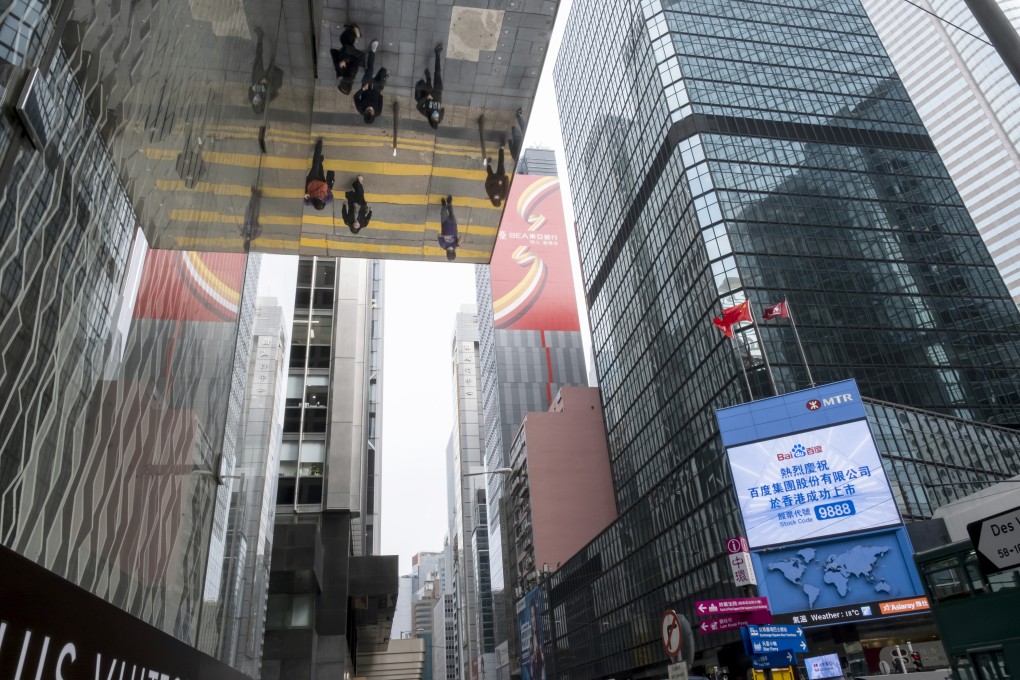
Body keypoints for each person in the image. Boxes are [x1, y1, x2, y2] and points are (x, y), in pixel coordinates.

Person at [249, 27, 283, 114]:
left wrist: (256, 82)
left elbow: (250, 88)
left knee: (258, 57)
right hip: (266, 78)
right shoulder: (266, 99)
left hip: (257, 76)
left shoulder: (251, 98)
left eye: (254, 103)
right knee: (271, 62)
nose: (256, 101)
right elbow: (275, 92)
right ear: (261, 104)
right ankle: (273, 46)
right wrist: (266, 83)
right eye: (257, 103)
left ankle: (260, 37)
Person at [353, 40, 388, 124]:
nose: (369, 109)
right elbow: (380, 98)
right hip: (376, 89)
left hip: (366, 86)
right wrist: (377, 90)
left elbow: (356, 96)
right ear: (374, 114)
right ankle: (367, 67)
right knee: (383, 70)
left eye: (367, 110)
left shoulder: (360, 108)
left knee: (370, 69)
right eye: (371, 111)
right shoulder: (378, 112)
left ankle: (372, 50)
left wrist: (363, 89)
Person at [414, 44, 445, 129]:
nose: (435, 116)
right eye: (436, 117)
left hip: (429, 93)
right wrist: (440, 112)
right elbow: (443, 110)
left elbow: (418, 106)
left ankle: (428, 78)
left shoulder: (426, 113)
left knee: (427, 86)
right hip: (438, 91)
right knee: (437, 73)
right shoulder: (439, 118)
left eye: (433, 117)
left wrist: (426, 98)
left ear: (430, 119)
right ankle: (437, 53)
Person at [330, 24, 364, 95]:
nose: (340, 81)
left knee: (346, 40)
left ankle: (352, 31)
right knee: (343, 39)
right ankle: (355, 32)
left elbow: (338, 67)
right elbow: (357, 59)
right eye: (341, 82)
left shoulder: (344, 76)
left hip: (345, 54)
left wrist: (339, 65)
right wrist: (344, 61)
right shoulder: (352, 72)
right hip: (354, 55)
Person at [303, 138, 334, 211]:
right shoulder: (328, 200)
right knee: (319, 166)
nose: (320, 198)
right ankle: (320, 160)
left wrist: (304, 195)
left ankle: (319, 144)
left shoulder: (308, 202)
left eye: (319, 199)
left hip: (312, 179)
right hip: (321, 180)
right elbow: (330, 192)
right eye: (322, 199)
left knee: (315, 164)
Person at [439, 195, 462, 260]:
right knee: (451, 212)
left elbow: (439, 235)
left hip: (444, 224)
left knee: (443, 212)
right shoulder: (455, 245)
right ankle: (449, 203)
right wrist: (458, 245)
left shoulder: (443, 245)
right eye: (452, 251)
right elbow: (461, 237)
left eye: (450, 251)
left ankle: (444, 205)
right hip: (453, 224)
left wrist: (444, 236)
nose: (451, 250)